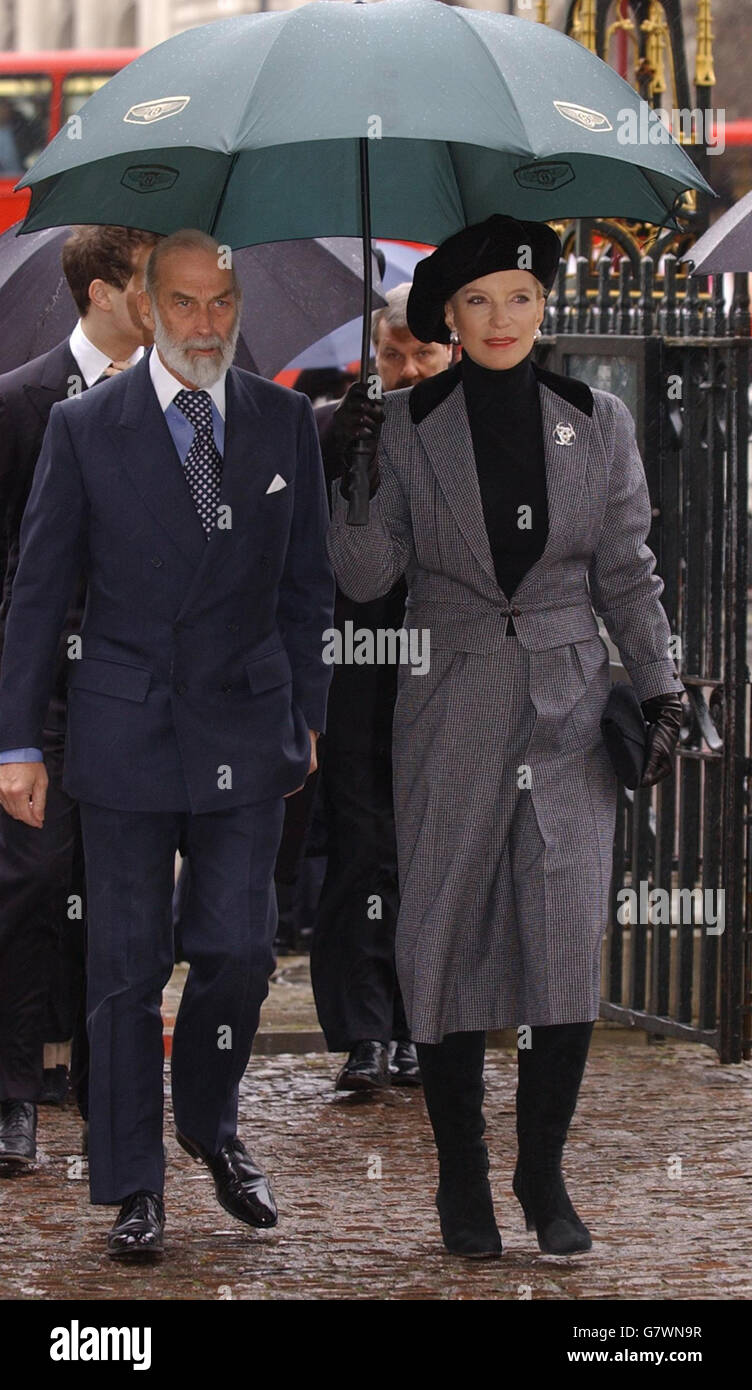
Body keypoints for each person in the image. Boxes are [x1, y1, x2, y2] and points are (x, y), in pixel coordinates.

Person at [327, 214, 684, 1258]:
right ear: (447, 311)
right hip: (448, 705)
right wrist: (347, 475)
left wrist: (658, 688)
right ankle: (461, 1178)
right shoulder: (400, 423)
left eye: (518, 299)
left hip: (571, 709)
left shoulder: (598, 419)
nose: (498, 319)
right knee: (437, 932)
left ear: (543, 307)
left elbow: (626, 570)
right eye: (477, 300)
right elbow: (362, 578)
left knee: (561, 938)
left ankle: (540, 1170)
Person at [0, 228, 334, 1260]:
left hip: (248, 719)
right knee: (123, 965)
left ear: (239, 309)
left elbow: (306, 581)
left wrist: (307, 712)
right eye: (182, 303)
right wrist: (16, 741)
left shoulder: (282, 422)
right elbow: (39, 590)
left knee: (237, 947)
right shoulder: (85, 426)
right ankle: (132, 1183)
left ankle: (209, 1122)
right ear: (144, 305)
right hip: (123, 724)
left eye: (220, 304)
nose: (203, 323)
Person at [0, 225, 158, 1170]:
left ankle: (111, 1095)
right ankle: (13, 1091)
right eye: (149, 283)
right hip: (44, 692)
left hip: (142, 689)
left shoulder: (184, 401)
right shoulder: (19, 402)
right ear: (103, 291)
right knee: (27, 887)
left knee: (122, 897)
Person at [311, 284, 451, 1090]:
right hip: (357, 655)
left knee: (429, 845)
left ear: (449, 352)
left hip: (443, 657)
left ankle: (415, 1021)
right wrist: (343, 449)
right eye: (391, 354)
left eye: (420, 353)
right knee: (362, 842)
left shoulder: (469, 430)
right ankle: (364, 1027)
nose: (404, 368)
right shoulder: (338, 422)